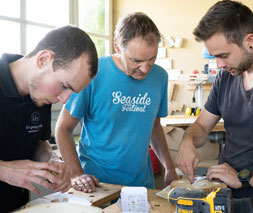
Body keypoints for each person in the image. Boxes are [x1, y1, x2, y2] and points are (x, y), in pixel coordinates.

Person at [176, 0, 253, 204]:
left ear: (249, 41)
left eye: (223, 56)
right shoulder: (226, 77)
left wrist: (244, 178)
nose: (219, 65)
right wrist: (187, 142)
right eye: (215, 57)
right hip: (223, 197)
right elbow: (201, 126)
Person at [55, 12, 178, 193]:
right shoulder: (94, 73)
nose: (145, 69)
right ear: (118, 47)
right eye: (136, 60)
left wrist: (169, 166)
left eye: (151, 59)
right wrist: (76, 174)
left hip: (141, 185)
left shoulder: (160, 77)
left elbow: (154, 126)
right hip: (97, 186)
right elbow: (62, 129)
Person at [0, 25, 98, 212]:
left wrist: (52, 160)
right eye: (63, 85)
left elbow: (38, 142)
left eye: (72, 92)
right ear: (43, 59)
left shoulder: (42, 95)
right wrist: (5, 170)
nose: (64, 99)